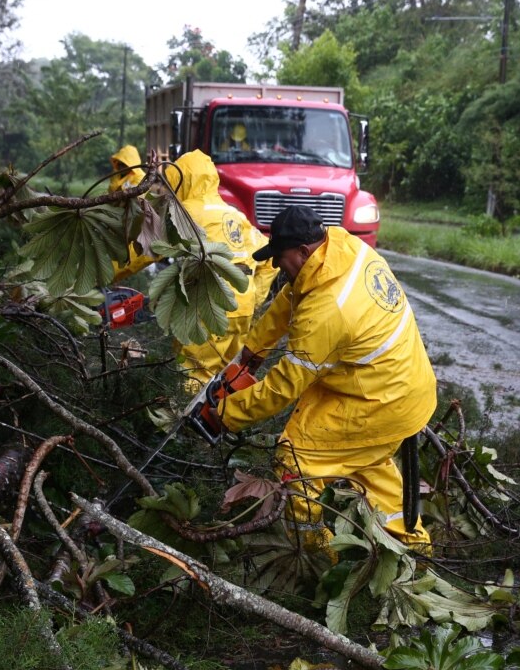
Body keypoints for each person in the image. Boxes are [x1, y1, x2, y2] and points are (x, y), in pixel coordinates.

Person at [214, 205, 436, 551]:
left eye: (279, 257)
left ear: (303, 252)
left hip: (377, 401)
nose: (274, 266)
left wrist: (224, 414)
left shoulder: (328, 309)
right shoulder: (342, 248)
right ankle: (417, 549)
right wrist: (252, 352)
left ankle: (316, 555)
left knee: (296, 457)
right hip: (400, 389)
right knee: (368, 462)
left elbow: (283, 387)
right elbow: (292, 295)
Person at [113, 150, 278, 383]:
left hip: (205, 312)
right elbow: (270, 260)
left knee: (193, 378)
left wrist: (105, 274)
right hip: (241, 313)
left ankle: (185, 418)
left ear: (181, 180)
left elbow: (142, 252)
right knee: (224, 379)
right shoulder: (236, 215)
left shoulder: (182, 214)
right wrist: (253, 299)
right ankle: (220, 417)